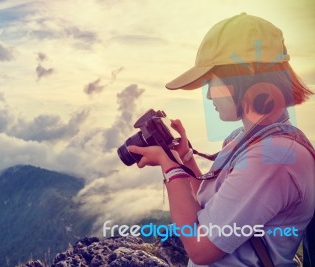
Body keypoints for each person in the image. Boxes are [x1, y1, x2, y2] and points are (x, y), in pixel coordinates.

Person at [127, 13, 315, 266]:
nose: (208, 96)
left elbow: (200, 248)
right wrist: (184, 158)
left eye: (210, 82)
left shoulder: (273, 158)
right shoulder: (244, 139)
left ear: (244, 74)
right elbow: (211, 210)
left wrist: (170, 167)